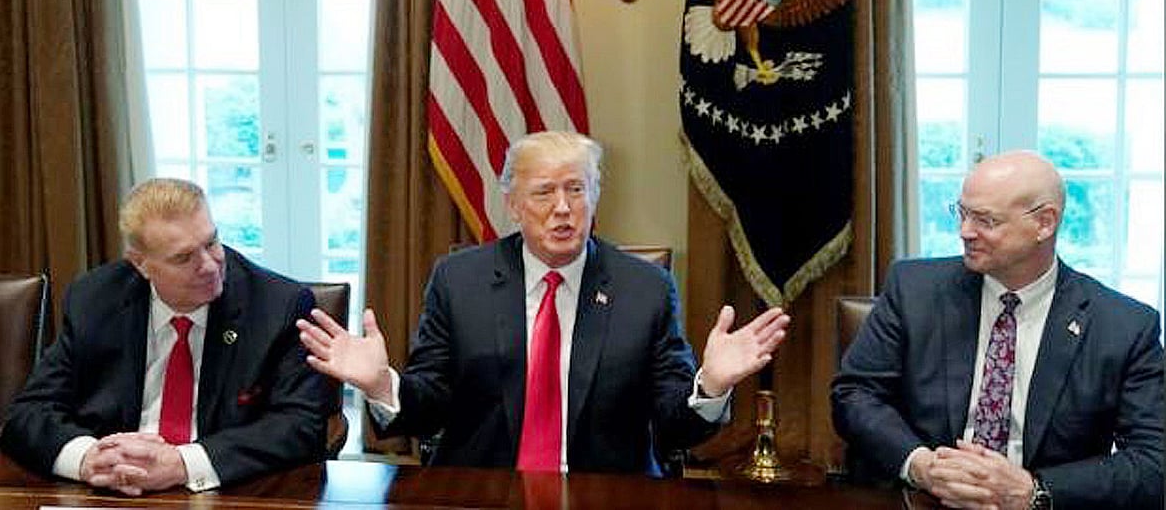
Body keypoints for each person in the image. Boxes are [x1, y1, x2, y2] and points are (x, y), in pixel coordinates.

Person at [298, 131, 790, 474]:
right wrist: (382, 385)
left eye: (576, 189)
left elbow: (672, 423)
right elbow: (430, 407)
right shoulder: (459, 281)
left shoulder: (646, 289)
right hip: (484, 492)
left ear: (595, 197)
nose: (562, 209)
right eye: (543, 193)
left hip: (606, 494)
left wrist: (711, 386)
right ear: (512, 204)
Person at [831, 151, 1164, 509]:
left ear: (1045, 223)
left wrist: (1033, 490)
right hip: (922, 499)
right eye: (962, 213)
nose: (965, 231)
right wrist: (922, 466)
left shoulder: (1123, 326)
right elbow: (855, 394)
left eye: (985, 220)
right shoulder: (913, 289)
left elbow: (1154, 462)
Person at [1, 178, 330, 495]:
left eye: (211, 243)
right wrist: (89, 459)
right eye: (183, 258)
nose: (209, 266)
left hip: (224, 491)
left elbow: (300, 425)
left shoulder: (278, 306)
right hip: (112, 490)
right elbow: (29, 413)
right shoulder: (95, 299)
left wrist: (182, 464)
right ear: (141, 264)